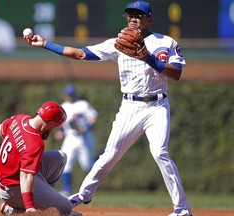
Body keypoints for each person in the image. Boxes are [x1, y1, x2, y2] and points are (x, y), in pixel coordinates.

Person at [24, 1, 192, 215]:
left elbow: (176, 73)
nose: (133, 18)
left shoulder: (165, 42)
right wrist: (46, 43)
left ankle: (182, 208)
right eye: (130, 14)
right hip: (130, 106)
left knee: (160, 152)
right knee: (110, 153)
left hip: (157, 106)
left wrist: (147, 58)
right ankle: (83, 194)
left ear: (149, 19)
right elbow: (80, 53)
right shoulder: (118, 43)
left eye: (139, 15)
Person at [0, 101, 78, 215]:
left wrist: (14, 152)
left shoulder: (20, 118)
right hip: (13, 188)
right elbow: (26, 175)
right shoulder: (34, 142)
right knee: (66, 207)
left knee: (60, 157)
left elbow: (1, 127)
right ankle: (13, 209)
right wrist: (29, 208)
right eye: (55, 126)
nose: (54, 130)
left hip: (5, 177)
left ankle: (42, 199)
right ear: (49, 123)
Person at [55, 84, 98, 197]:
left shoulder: (83, 104)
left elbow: (93, 117)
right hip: (70, 137)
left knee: (87, 165)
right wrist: (62, 132)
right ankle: (66, 189)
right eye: (68, 95)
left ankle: (100, 157)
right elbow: (64, 124)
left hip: (84, 137)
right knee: (65, 162)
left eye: (71, 95)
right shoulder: (63, 106)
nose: (69, 97)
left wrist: (86, 127)